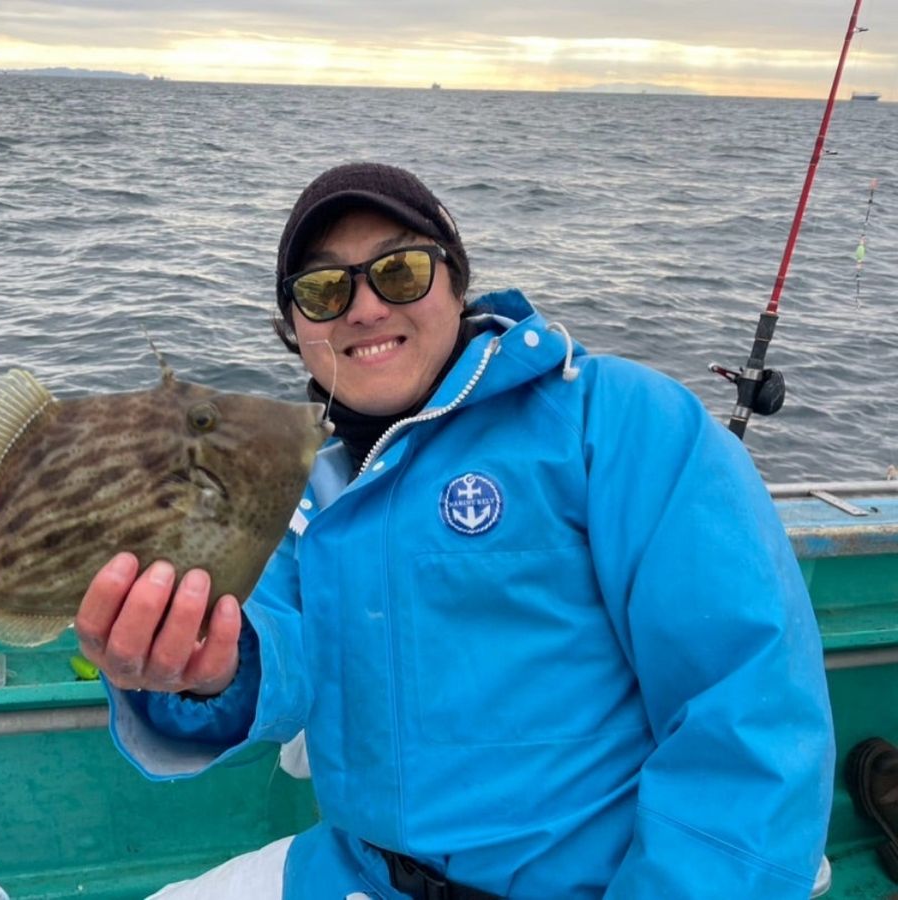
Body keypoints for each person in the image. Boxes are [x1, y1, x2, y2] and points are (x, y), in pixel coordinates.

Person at [74, 162, 835, 899]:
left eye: (399, 272)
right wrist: (207, 674)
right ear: (294, 328)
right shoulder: (302, 487)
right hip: (351, 873)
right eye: (323, 289)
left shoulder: (621, 422)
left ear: (457, 281)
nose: (364, 308)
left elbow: (749, 715)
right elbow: (273, 647)